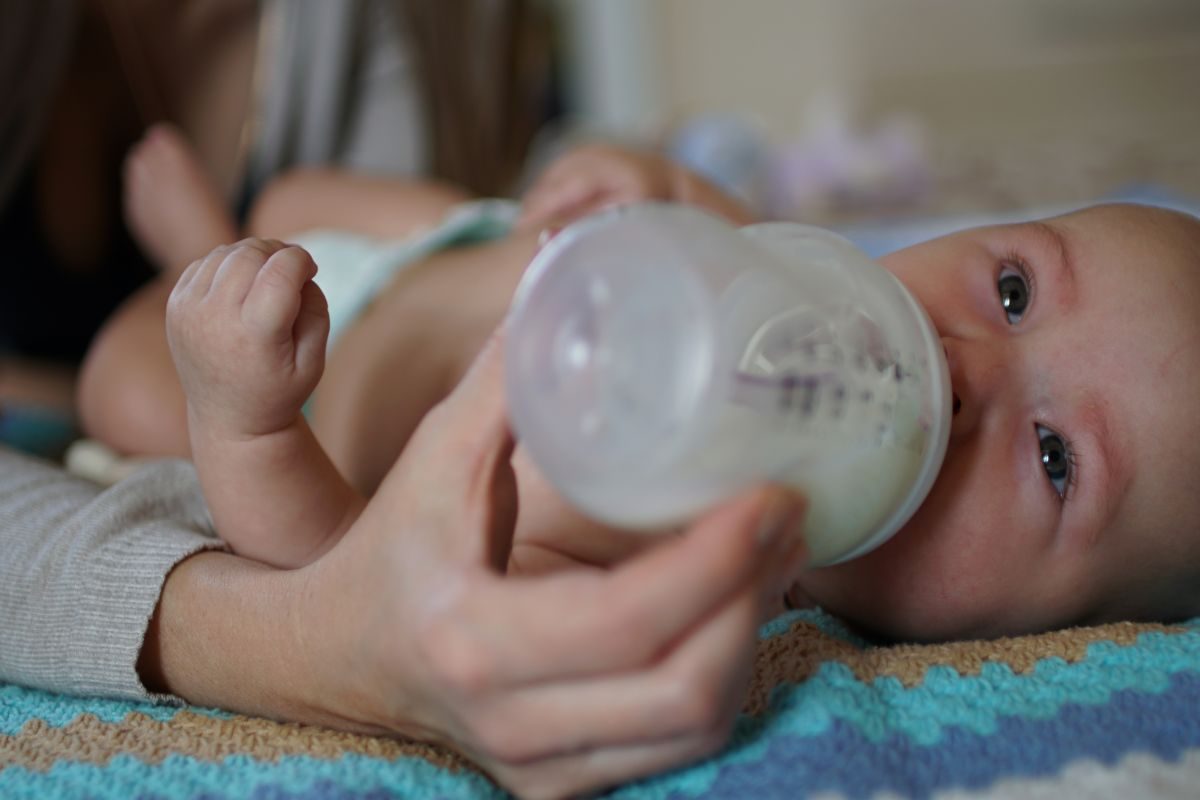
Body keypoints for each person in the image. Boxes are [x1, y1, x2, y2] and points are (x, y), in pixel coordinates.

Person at [82, 127, 1200, 647]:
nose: (962, 371)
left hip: (320, 393)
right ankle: (238, 238)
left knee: (124, 389)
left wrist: (245, 418)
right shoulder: (790, 287)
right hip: (444, 250)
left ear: (1056, 630)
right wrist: (647, 182)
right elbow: (702, 216)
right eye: (1013, 290)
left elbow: (341, 564)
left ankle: (203, 256)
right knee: (302, 194)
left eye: (1056, 459)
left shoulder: (643, 562)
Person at [0, 0, 550, 452]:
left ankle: (209, 277)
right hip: (439, 260)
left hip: (314, 404)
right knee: (284, 207)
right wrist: (595, 177)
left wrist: (202, 254)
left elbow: (336, 536)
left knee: (125, 389)